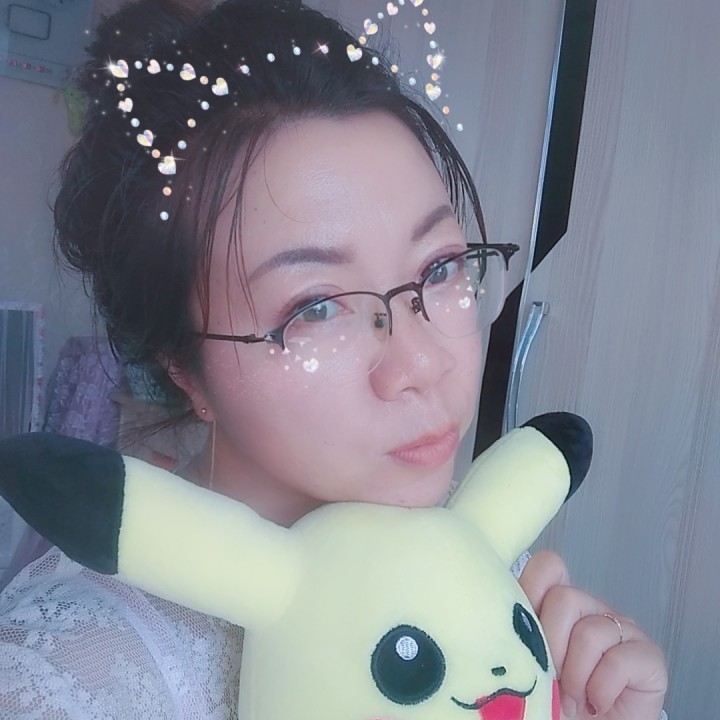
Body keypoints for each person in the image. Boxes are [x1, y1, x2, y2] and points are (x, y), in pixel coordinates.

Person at [0, 0, 668, 718]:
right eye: (316, 308)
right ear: (181, 366)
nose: (420, 364)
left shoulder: (489, 576)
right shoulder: (72, 673)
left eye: (440, 268)